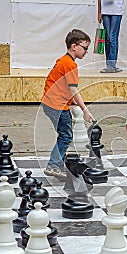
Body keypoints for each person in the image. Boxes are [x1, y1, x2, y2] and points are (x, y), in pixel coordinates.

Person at [42, 29, 95, 178]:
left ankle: (59, 163)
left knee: (63, 135)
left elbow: (61, 87)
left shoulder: (62, 60)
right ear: (74, 46)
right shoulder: (70, 64)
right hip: (57, 106)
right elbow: (73, 89)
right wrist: (85, 110)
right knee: (66, 137)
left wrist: (73, 104)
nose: (86, 52)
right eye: (84, 48)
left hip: (50, 104)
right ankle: (53, 166)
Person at [97, 0, 125, 73]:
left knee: (113, 37)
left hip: (117, 10)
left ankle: (112, 65)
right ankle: (109, 65)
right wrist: (99, 12)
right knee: (107, 37)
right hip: (105, 11)